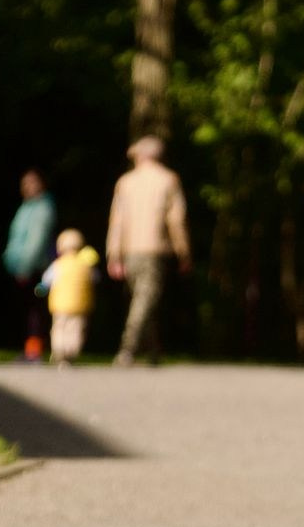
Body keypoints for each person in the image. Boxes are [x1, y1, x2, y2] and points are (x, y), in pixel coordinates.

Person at [105, 135, 190, 366]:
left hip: (130, 251)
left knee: (144, 298)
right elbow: (177, 219)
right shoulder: (168, 180)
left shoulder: (126, 182)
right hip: (155, 251)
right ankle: (128, 348)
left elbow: (117, 223)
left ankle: (152, 351)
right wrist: (183, 251)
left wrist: (114, 254)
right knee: (145, 299)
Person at [2, 169, 58, 361]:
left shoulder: (43, 208)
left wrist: (25, 266)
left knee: (35, 309)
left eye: (33, 182)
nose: (28, 187)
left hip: (35, 267)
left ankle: (35, 350)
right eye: (25, 183)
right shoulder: (26, 207)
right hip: (20, 267)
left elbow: (36, 241)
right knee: (27, 309)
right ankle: (29, 349)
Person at [38, 228, 100, 367]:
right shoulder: (86, 265)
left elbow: (46, 281)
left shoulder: (58, 265)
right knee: (76, 329)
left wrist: (41, 289)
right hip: (80, 306)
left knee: (59, 328)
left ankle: (59, 352)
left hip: (60, 305)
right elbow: (96, 279)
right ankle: (71, 353)